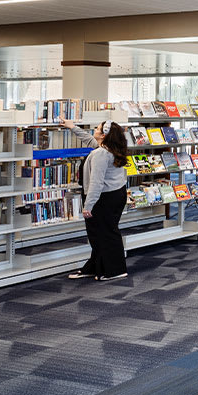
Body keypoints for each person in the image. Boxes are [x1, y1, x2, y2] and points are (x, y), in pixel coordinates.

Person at [60, 118, 130, 281]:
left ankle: (116, 270)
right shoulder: (109, 149)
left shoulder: (100, 154)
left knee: (105, 234)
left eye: (97, 129)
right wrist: (73, 127)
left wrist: (88, 205)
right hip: (115, 194)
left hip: (104, 198)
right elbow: (89, 140)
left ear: (104, 135)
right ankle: (95, 267)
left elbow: (96, 183)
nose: (95, 131)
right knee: (102, 233)